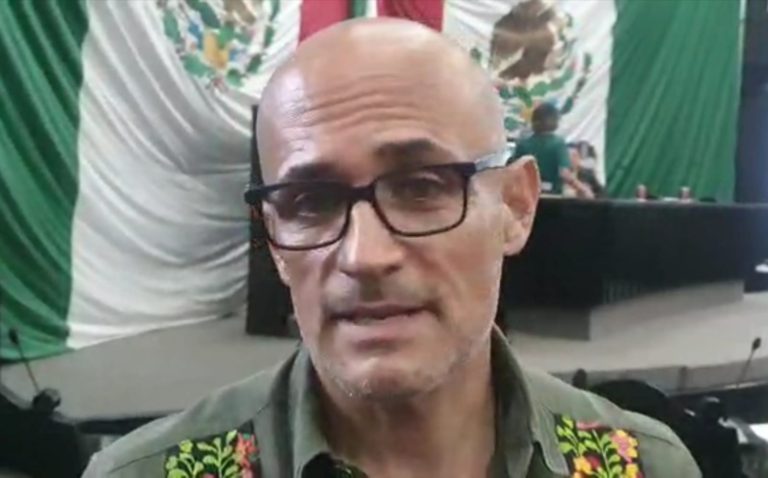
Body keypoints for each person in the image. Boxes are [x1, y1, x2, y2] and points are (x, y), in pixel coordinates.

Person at [83, 19, 700, 478]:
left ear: (515, 207)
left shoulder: (641, 467)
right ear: (272, 237)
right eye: (310, 201)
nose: (364, 255)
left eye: (421, 188)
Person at [515, 103, 593, 198]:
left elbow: (514, 172)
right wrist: (583, 189)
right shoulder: (558, 143)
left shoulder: (523, 145)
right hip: (552, 196)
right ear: (555, 122)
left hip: (527, 196)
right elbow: (564, 173)